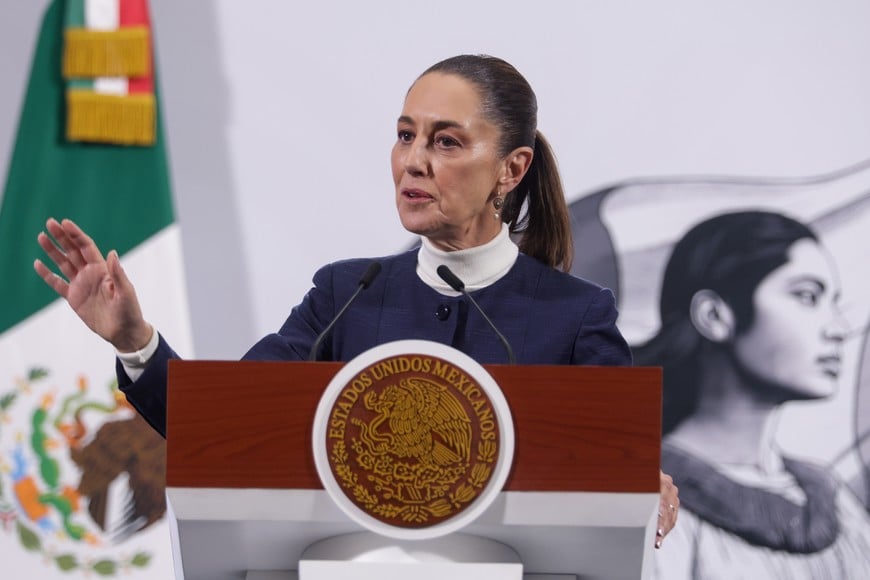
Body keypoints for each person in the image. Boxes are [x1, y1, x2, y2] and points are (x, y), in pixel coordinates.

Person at [34, 54, 679, 545]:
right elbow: (225, 424)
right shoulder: (347, 294)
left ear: (511, 170)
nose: (412, 162)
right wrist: (134, 340)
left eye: (446, 141)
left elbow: (612, 459)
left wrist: (636, 481)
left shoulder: (576, 314)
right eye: (405, 135)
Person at [634, 211, 870, 578]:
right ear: (714, 315)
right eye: (807, 296)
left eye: (834, 302)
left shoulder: (833, 498)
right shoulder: (647, 498)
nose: (839, 328)